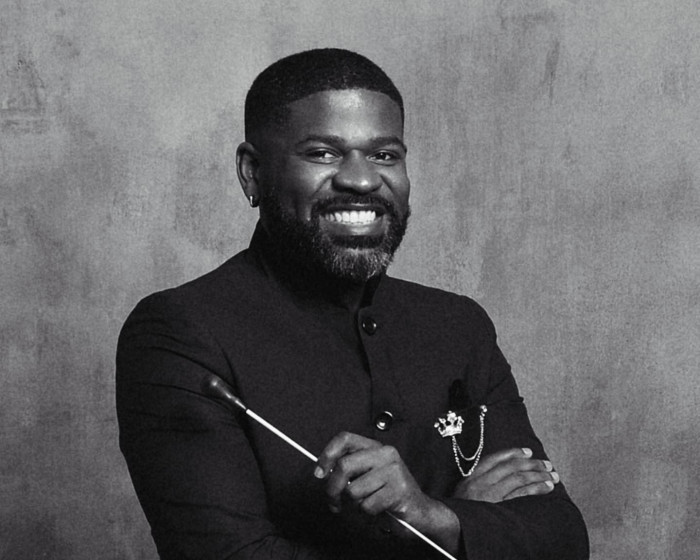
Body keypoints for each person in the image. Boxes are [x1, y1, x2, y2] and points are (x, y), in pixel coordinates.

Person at [116, 48, 589, 560]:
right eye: (323, 153)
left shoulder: (459, 325)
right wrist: (443, 531)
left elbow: (562, 540)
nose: (362, 180)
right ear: (252, 172)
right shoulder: (180, 333)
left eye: (385, 155)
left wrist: (434, 516)